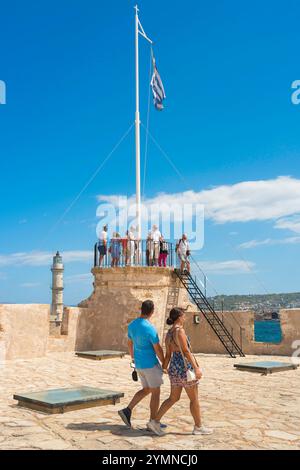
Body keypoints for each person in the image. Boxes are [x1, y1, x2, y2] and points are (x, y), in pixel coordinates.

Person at [154, 307, 213, 436]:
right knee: (194, 399)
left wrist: (164, 367)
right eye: (184, 315)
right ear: (179, 317)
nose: (185, 318)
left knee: (173, 398)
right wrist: (196, 368)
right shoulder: (179, 331)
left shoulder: (169, 333)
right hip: (184, 368)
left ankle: (154, 421)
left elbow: (168, 354)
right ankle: (198, 427)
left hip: (174, 368)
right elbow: (186, 351)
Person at [118, 300, 165, 436]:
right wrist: (164, 363)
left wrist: (133, 358)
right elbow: (158, 349)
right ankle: (153, 422)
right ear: (152, 311)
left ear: (141, 309)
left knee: (147, 389)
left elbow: (130, 343)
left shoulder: (132, 325)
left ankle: (127, 410)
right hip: (150, 364)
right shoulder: (149, 328)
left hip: (139, 364)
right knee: (155, 393)